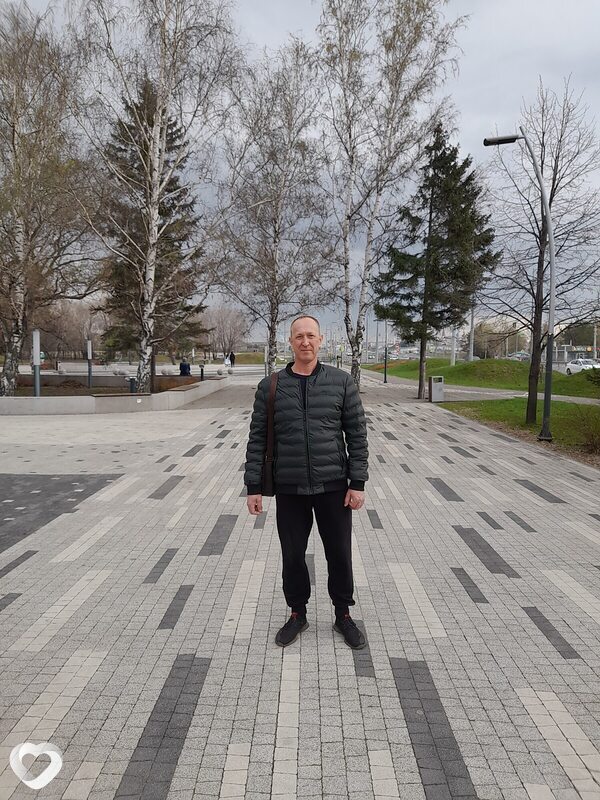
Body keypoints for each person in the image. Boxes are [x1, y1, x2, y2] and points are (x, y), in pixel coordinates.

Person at [244, 315, 368, 649]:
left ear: (321, 340)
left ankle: (343, 614)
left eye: (311, 335)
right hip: (290, 488)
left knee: (339, 554)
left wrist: (357, 482)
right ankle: (297, 613)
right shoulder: (270, 386)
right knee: (292, 555)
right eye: (299, 336)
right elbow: (257, 439)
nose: (305, 342)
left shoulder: (341, 382)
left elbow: (357, 435)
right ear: (290, 341)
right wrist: (253, 487)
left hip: (334, 486)